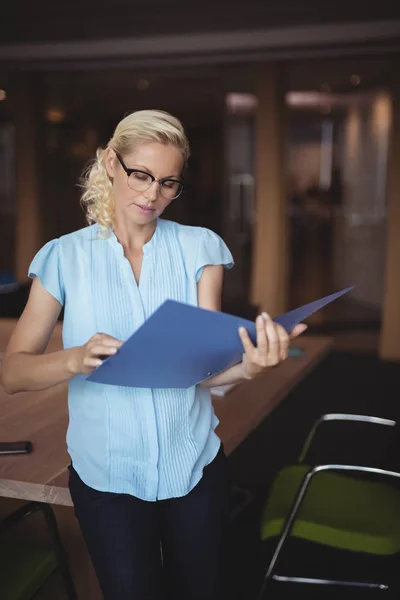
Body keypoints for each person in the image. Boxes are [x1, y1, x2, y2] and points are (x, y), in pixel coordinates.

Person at [0, 109, 306, 599]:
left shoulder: (201, 249)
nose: (151, 195)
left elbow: (205, 369)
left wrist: (252, 364)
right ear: (110, 162)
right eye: (140, 175)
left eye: (168, 183)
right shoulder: (64, 257)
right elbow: (13, 374)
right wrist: (75, 359)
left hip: (195, 470)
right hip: (107, 479)